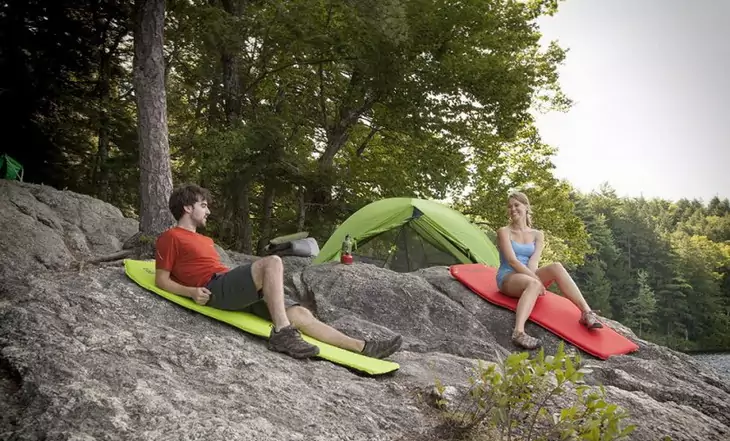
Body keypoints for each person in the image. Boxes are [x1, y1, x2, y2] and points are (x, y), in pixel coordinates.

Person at [154, 184, 403, 360]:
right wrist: (191, 292)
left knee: (300, 312)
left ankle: (361, 347)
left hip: (230, 285)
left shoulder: (205, 240)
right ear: (187, 208)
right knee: (272, 262)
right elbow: (161, 280)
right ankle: (282, 333)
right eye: (203, 205)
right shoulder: (171, 237)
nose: (208, 211)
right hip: (213, 288)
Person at [495, 191, 602, 350]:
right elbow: (513, 261)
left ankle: (586, 312)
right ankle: (518, 332)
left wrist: (535, 278)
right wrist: (536, 281)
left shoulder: (538, 234)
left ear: (526, 207)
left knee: (556, 267)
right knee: (533, 284)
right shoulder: (504, 231)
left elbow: (534, 261)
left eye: (516, 205)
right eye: (509, 207)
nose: (513, 209)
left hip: (528, 274)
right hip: (508, 276)